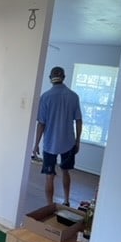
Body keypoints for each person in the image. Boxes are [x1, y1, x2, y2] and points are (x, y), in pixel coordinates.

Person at [32, 66, 82, 207]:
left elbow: (41, 123)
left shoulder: (46, 97)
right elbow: (78, 120)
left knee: (49, 176)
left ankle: (49, 206)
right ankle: (66, 201)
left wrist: (36, 144)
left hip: (50, 143)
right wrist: (78, 141)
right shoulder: (73, 96)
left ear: (50, 79)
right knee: (66, 171)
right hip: (68, 142)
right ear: (64, 78)